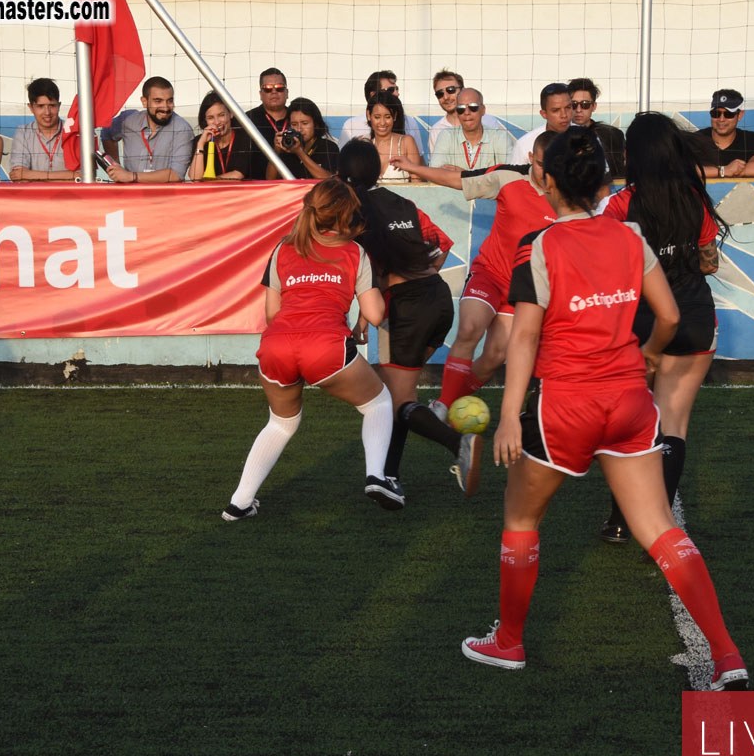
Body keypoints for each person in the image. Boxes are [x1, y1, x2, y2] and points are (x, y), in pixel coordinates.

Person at [461, 126, 748, 692]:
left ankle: (509, 642)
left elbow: (523, 339)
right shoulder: (629, 239)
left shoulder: (540, 246)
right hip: (629, 404)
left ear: (544, 179)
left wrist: (510, 415)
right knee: (661, 530)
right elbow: (666, 318)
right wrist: (643, 356)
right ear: (603, 183)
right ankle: (727, 653)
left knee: (521, 520)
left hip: (565, 406)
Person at [222, 178, 398, 520]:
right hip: (326, 348)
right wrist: (361, 315)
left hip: (275, 347)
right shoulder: (354, 252)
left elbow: (272, 314)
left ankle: (239, 503)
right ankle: (377, 476)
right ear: (346, 215)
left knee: (281, 423)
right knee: (378, 403)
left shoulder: (283, 249)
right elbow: (376, 314)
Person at [596, 113, 728, 545]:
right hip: (693, 316)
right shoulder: (694, 197)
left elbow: (604, 267)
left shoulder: (620, 205)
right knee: (673, 425)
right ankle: (657, 527)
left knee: (630, 424)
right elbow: (710, 262)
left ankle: (619, 519)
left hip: (643, 323)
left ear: (633, 155)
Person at [337, 140, 481, 502]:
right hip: (437, 298)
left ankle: (459, 445)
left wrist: (364, 315)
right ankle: (390, 476)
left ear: (341, 174)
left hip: (406, 308)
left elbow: (360, 268)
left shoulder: (352, 212)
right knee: (398, 395)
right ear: (379, 170)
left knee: (398, 401)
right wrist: (422, 276)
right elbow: (442, 244)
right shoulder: (403, 203)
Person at [392, 132, 558, 422]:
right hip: (489, 274)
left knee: (494, 357)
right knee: (469, 328)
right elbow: (461, 180)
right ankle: (442, 407)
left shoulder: (565, 197)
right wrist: (414, 167)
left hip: (521, 290)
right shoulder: (508, 178)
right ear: (531, 159)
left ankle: (452, 401)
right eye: (543, 164)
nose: (549, 173)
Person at [99, 77, 195, 183]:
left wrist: (131, 176)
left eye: (170, 101)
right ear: (144, 102)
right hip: (130, 196)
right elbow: (106, 133)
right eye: (158, 101)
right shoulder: (128, 120)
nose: (165, 107)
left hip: (165, 197)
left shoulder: (182, 129)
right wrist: (115, 165)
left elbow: (176, 174)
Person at [9, 78, 78, 182]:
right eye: (40, 106)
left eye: (52, 106)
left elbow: (81, 176)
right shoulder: (23, 132)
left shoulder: (73, 132)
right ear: (31, 107)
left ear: (59, 106)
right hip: (34, 198)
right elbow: (18, 177)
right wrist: (67, 176)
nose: (47, 112)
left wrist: (31, 175)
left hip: (69, 197)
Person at [429, 88, 515, 170]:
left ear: (483, 110)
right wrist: (486, 176)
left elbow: (508, 175)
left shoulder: (500, 137)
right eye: (461, 108)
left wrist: (463, 174)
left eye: (473, 107)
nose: (467, 112)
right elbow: (437, 173)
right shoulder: (446, 136)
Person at [425, 69, 504, 159]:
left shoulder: (489, 122)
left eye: (451, 90)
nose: (446, 97)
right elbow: (437, 169)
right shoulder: (437, 130)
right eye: (440, 94)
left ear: (463, 90)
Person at [189, 91, 267, 181]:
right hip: (211, 194)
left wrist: (209, 181)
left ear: (231, 114)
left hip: (241, 193)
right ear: (205, 120)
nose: (217, 122)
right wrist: (201, 144)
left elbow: (237, 175)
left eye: (221, 115)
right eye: (210, 118)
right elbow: (195, 178)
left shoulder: (244, 137)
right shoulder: (200, 140)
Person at [697, 89, 754, 179]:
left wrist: (709, 172)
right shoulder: (697, 138)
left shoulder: (751, 138)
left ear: (740, 115)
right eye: (716, 113)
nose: (721, 119)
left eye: (728, 114)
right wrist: (724, 171)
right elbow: (686, 170)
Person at [337, 71, 421, 145]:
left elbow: (419, 160)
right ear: (373, 94)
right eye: (391, 90)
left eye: (397, 89)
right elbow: (343, 160)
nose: (397, 94)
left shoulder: (410, 122)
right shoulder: (352, 125)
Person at [264, 97, 339, 180]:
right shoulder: (287, 147)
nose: (299, 129)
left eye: (305, 123)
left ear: (316, 124)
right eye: (294, 124)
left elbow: (328, 180)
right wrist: (276, 151)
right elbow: (270, 180)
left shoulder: (328, 147)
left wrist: (300, 153)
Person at [567, 77, 626, 179]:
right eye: (574, 104)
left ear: (594, 106)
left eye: (585, 104)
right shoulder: (556, 134)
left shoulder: (613, 135)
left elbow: (620, 173)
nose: (579, 109)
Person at [366, 90, 422, 182]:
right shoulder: (364, 145)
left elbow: (417, 183)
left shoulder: (406, 142)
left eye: (387, 117)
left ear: (394, 116)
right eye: (377, 117)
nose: (382, 123)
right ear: (369, 115)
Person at [510, 82, 572, 165]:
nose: (564, 115)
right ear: (544, 114)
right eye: (556, 110)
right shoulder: (525, 145)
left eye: (568, 107)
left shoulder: (586, 137)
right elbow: (516, 177)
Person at [245, 67, 291, 146]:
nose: (274, 92)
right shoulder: (248, 119)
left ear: (286, 92)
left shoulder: (297, 118)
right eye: (268, 88)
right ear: (260, 94)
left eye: (279, 88)